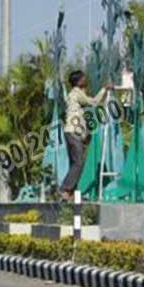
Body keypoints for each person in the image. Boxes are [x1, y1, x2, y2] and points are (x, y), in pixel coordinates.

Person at [60, 70, 107, 201]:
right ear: (78, 81)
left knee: (75, 163)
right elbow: (94, 102)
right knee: (79, 163)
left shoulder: (74, 94)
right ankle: (65, 189)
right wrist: (104, 89)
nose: (85, 80)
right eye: (83, 78)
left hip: (72, 132)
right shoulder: (77, 93)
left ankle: (70, 193)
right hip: (74, 132)